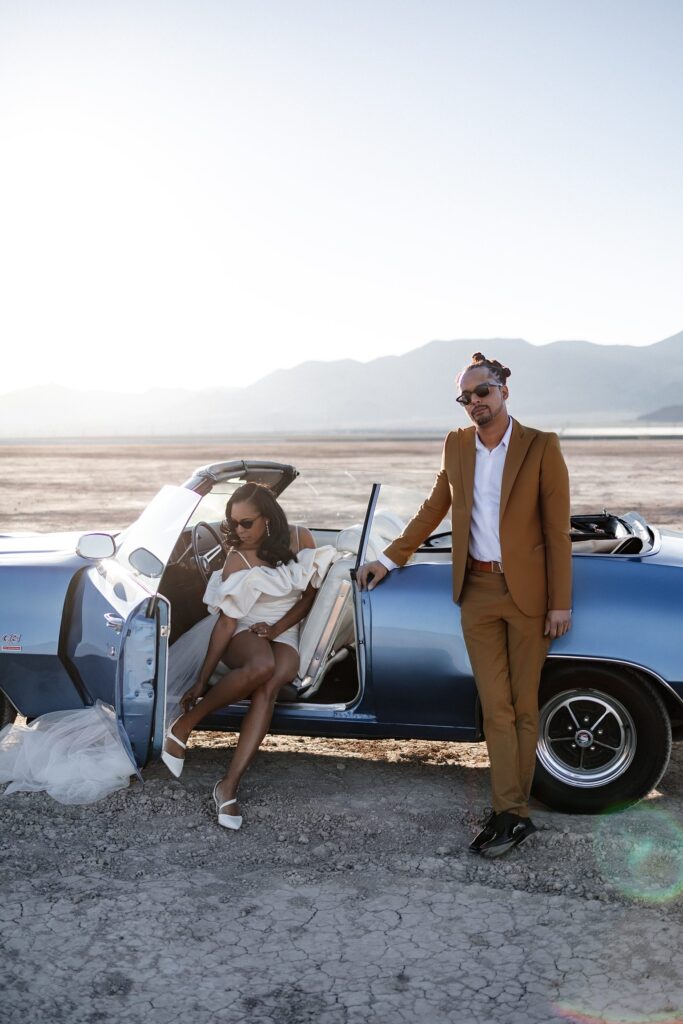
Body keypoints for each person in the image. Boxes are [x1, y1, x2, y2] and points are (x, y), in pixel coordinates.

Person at [357, 352, 572, 857]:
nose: (474, 403)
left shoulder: (541, 446)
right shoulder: (456, 445)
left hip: (528, 598)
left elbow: (556, 531)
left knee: (523, 707)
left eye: (483, 392)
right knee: (496, 708)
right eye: (465, 397)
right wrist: (389, 559)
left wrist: (559, 602)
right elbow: (436, 507)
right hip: (476, 592)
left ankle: (513, 812)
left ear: (503, 391)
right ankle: (510, 813)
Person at [161, 482, 337, 830]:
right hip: (244, 627)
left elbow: (308, 598)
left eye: (246, 523)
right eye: (233, 524)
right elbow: (226, 624)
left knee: (271, 682)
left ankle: (228, 786)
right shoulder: (236, 559)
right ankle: (184, 726)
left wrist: (275, 630)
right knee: (262, 665)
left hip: (284, 627)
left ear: (268, 519)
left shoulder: (302, 539)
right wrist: (200, 679)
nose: (239, 531)